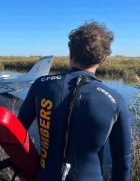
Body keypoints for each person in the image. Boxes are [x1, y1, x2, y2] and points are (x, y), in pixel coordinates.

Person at [18, 21, 132, 181]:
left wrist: (26, 168)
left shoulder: (41, 85)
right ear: (104, 59)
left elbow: (16, 134)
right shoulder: (115, 100)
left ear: (70, 53)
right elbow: (123, 162)